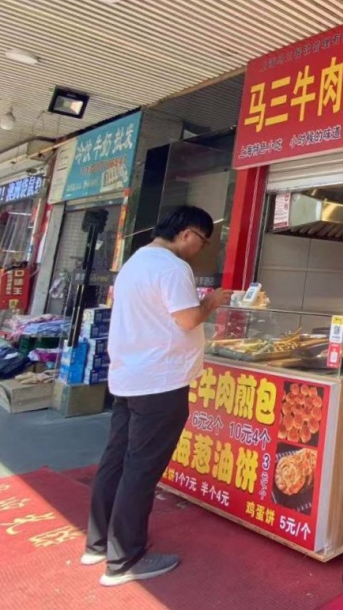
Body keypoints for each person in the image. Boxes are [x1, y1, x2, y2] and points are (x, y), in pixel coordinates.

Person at [84, 206, 232, 587]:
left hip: (129, 378)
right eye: (203, 241)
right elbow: (188, 318)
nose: (201, 248)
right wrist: (213, 301)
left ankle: (98, 543)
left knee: (117, 460)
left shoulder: (136, 261)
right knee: (141, 469)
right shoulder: (172, 267)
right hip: (160, 383)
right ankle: (125, 559)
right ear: (187, 233)